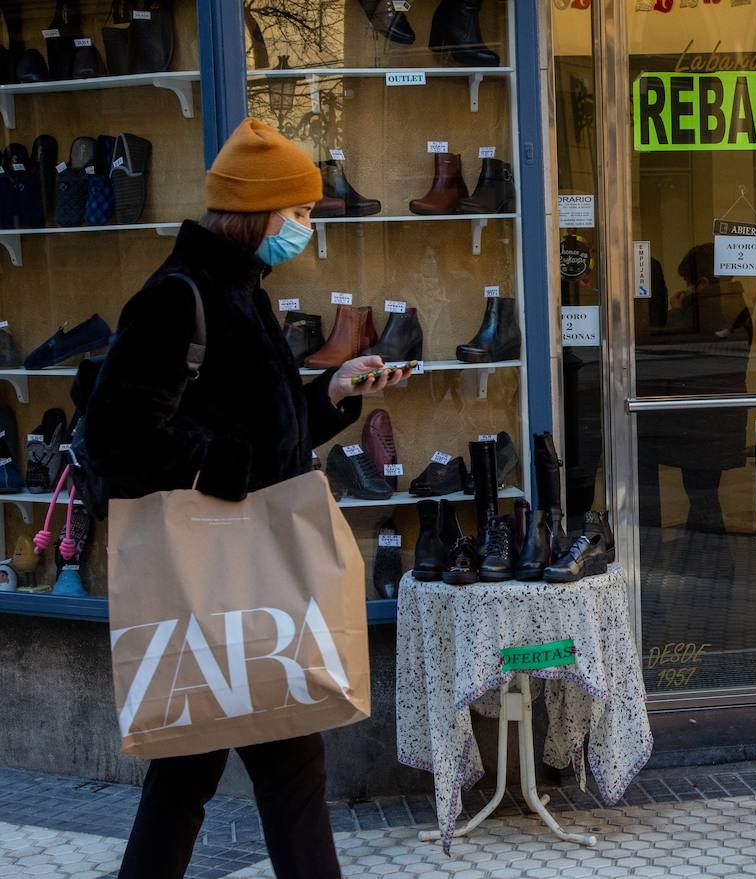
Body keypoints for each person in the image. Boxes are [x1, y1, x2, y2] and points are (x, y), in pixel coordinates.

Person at [84, 118, 412, 879]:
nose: (305, 227)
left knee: (254, 781)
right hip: (214, 591)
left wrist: (332, 392)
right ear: (256, 212)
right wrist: (225, 467)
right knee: (209, 784)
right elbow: (114, 435)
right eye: (297, 213)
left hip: (249, 593)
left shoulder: (243, 292)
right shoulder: (179, 298)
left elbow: (265, 428)